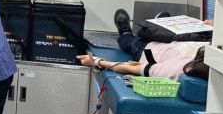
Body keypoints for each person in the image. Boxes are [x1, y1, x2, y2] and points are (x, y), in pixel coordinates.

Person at [77, 9, 210, 80]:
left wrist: (96, 61)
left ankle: (125, 31)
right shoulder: (210, 48)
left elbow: (133, 68)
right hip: (173, 42)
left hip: (148, 50)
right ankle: (159, 26)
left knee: (129, 41)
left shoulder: (173, 71)